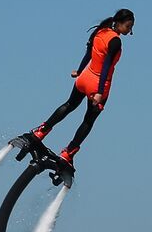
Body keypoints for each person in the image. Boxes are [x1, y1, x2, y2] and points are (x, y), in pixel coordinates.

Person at [28, 9, 134, 167]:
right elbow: (106, 66)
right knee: (88, 120)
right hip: (99, 84)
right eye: (128, 26)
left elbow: (89, 53)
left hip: (84, 77)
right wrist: (99, 92)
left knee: (69, 105)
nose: (130, 30)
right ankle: (68, 153)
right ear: (119, 23)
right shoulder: (116, 41)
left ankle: (40, 132)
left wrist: (79, 70)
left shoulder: (101, 31)